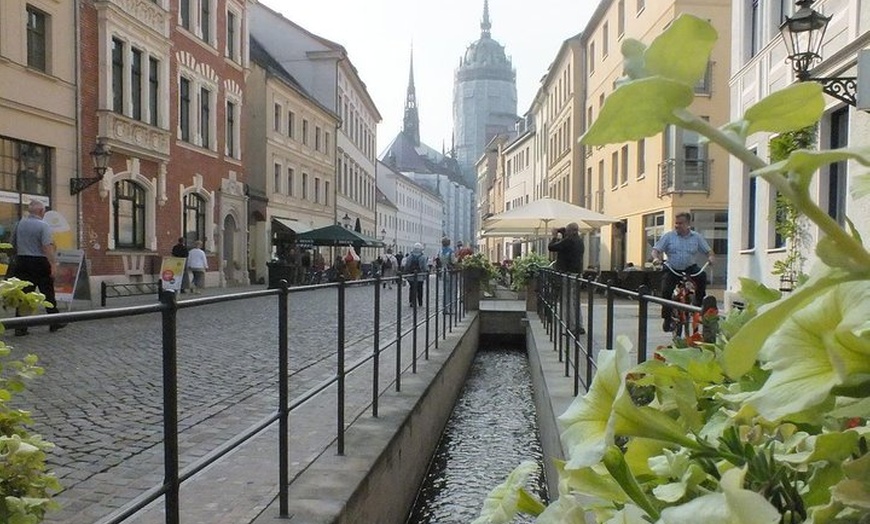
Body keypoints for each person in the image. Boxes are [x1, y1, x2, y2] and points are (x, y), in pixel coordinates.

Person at [651, 212, 715, 332]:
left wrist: (711, 258)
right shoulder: (669, 236)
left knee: (702, 276)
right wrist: (656, 258)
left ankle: (698, 306)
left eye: (680, 223)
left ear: (688, 224)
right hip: (672, 268)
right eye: (676, 223)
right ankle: (667, 318)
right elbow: (656, 250)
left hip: (690, 267)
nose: (677, 225)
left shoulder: (696, 237)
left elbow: (708, 251)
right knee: (666, 290)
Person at [10, 200, 65, 336]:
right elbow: (47, 247)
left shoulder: (18, 224)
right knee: (47, 293)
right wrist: (53, 264)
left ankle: (20, 327)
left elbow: (12, 243)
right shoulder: (43, 226)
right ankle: (54, 321)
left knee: (24, 294)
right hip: (39, 262)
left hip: (22, 261)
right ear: (41, 211)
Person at [548, 222, 585, 336]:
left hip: (568, 275)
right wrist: (562, 231)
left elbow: (551, 247)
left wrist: (554, 236)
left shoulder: (569, 241)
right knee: (575, 301)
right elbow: (564, 243)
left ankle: (571, 327)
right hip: (577, 274)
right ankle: (579, 326)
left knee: (567, 301)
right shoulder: (579, 241)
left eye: (567, 231)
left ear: (571, 231)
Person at [403, 243, 428, 308]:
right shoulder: (423, 257)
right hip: (420, 276)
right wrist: (425, 274)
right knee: (419, 289)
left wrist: (406, 273)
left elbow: (407, 266)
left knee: (412, 289)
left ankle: (411, 301)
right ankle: (420, 302)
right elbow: (425, 267)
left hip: (411, 276)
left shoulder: (410, 256)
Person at [439, 237, 456, 312]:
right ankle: (450, 308)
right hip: (450, 272)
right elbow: (453, 262)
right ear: (449, 243)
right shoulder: (451, 252)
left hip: (443, 271)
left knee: (445, 290)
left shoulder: (440, 251)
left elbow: (439, 261)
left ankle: (444, 307)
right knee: (451, 290)